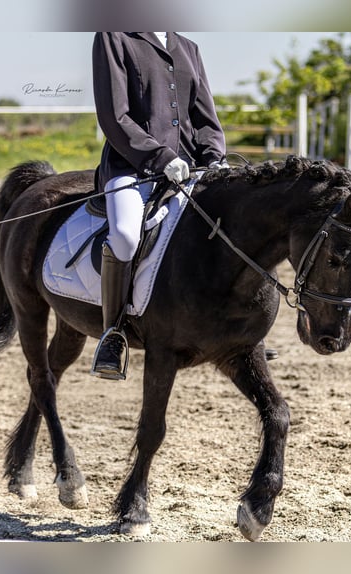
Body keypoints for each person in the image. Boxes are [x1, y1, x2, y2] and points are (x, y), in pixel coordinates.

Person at [91, 32, 227, 379]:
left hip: (190, 170)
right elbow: (114, 116)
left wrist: (213, 158)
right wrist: (159, 156)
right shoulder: (114, 37)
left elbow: (206, 119)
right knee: (124, 236)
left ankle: (234, 332)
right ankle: (113, 333)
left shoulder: (189, 48)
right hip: (132, 169)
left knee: (232, 225)